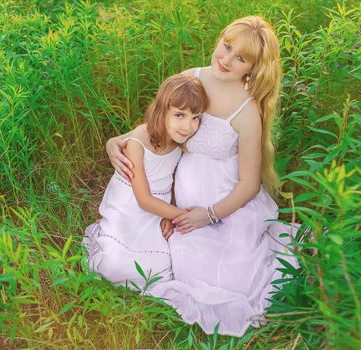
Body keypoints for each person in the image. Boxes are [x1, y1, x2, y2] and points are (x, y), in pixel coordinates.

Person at [106, 16, 299, 336]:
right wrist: (115, 142)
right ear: (219, 39)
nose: (226, 60)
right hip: (178, 193)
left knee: (227, 278)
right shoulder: (188, 78)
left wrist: (208, 216)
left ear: (253, 68)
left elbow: (249, 184)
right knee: (167, 259)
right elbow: (155, 128)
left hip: (225, 202)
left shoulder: (246, 111)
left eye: (241, 58)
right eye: (226, 47)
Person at [84, 74, 209, 290]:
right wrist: (184, 216)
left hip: (158, 208)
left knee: (162, 265)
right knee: (112, 266)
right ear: (162, 111)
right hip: (130, 206)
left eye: (195, 117)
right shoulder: (138, 141)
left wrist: (168, 216)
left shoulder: (181, 140)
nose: (188, 126)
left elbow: (171, 182)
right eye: (179, 115)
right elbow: (143, 199)